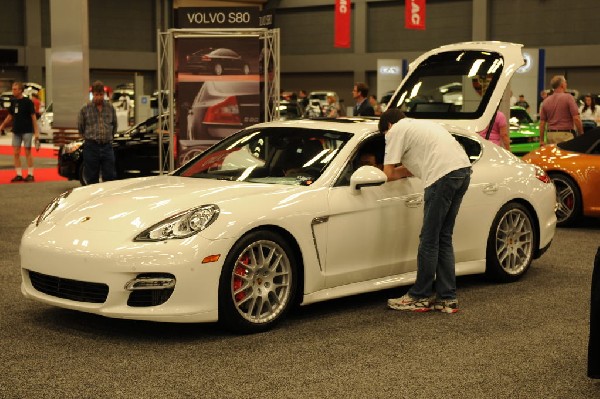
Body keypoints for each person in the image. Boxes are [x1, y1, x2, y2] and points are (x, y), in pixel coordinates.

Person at [379, 108, 471, 313]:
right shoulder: (422, 125)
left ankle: (419, 295)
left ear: (388, 126)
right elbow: (412, 167)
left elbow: (388, 173)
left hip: (442, 177)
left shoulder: (394, 131)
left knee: (429, 239)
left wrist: (375, 169)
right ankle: (447, 298)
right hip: (462, 171)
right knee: (443, 237)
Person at [78, 80, 118, 184]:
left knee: (110, 177)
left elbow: (114, 125)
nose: (99, 97)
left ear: (104, 94)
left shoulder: (110, 108)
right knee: (91, 178)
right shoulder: (85, 109)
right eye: (96, 95)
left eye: (101, 94)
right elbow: (81, 128)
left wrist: (108, 137)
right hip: (91, 147)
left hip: (107, 147)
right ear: (92, 94)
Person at [0, 81, 40, 182]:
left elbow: (33, 118)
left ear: (20, 90)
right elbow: (10, 116)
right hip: (16, 131)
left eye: (15, 89)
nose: (13, 91)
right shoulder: (13, 102)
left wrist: (36, 132)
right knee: (16, 153)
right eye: (13, 89)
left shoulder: (28, 102)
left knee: (27, 152)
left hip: (27, 130)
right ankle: (19, 174)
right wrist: (2, 126)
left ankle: (30, 174)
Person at [539, 75, 583, 145]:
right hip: (565, 135)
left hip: (550, 135)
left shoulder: (546, 101)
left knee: (553, 155)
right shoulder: (568, 97)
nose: (566, 84)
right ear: (562, 85)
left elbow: (542, 123)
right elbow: (576, 118)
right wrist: (581, 134)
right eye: (565, 82)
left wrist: (541, 140)